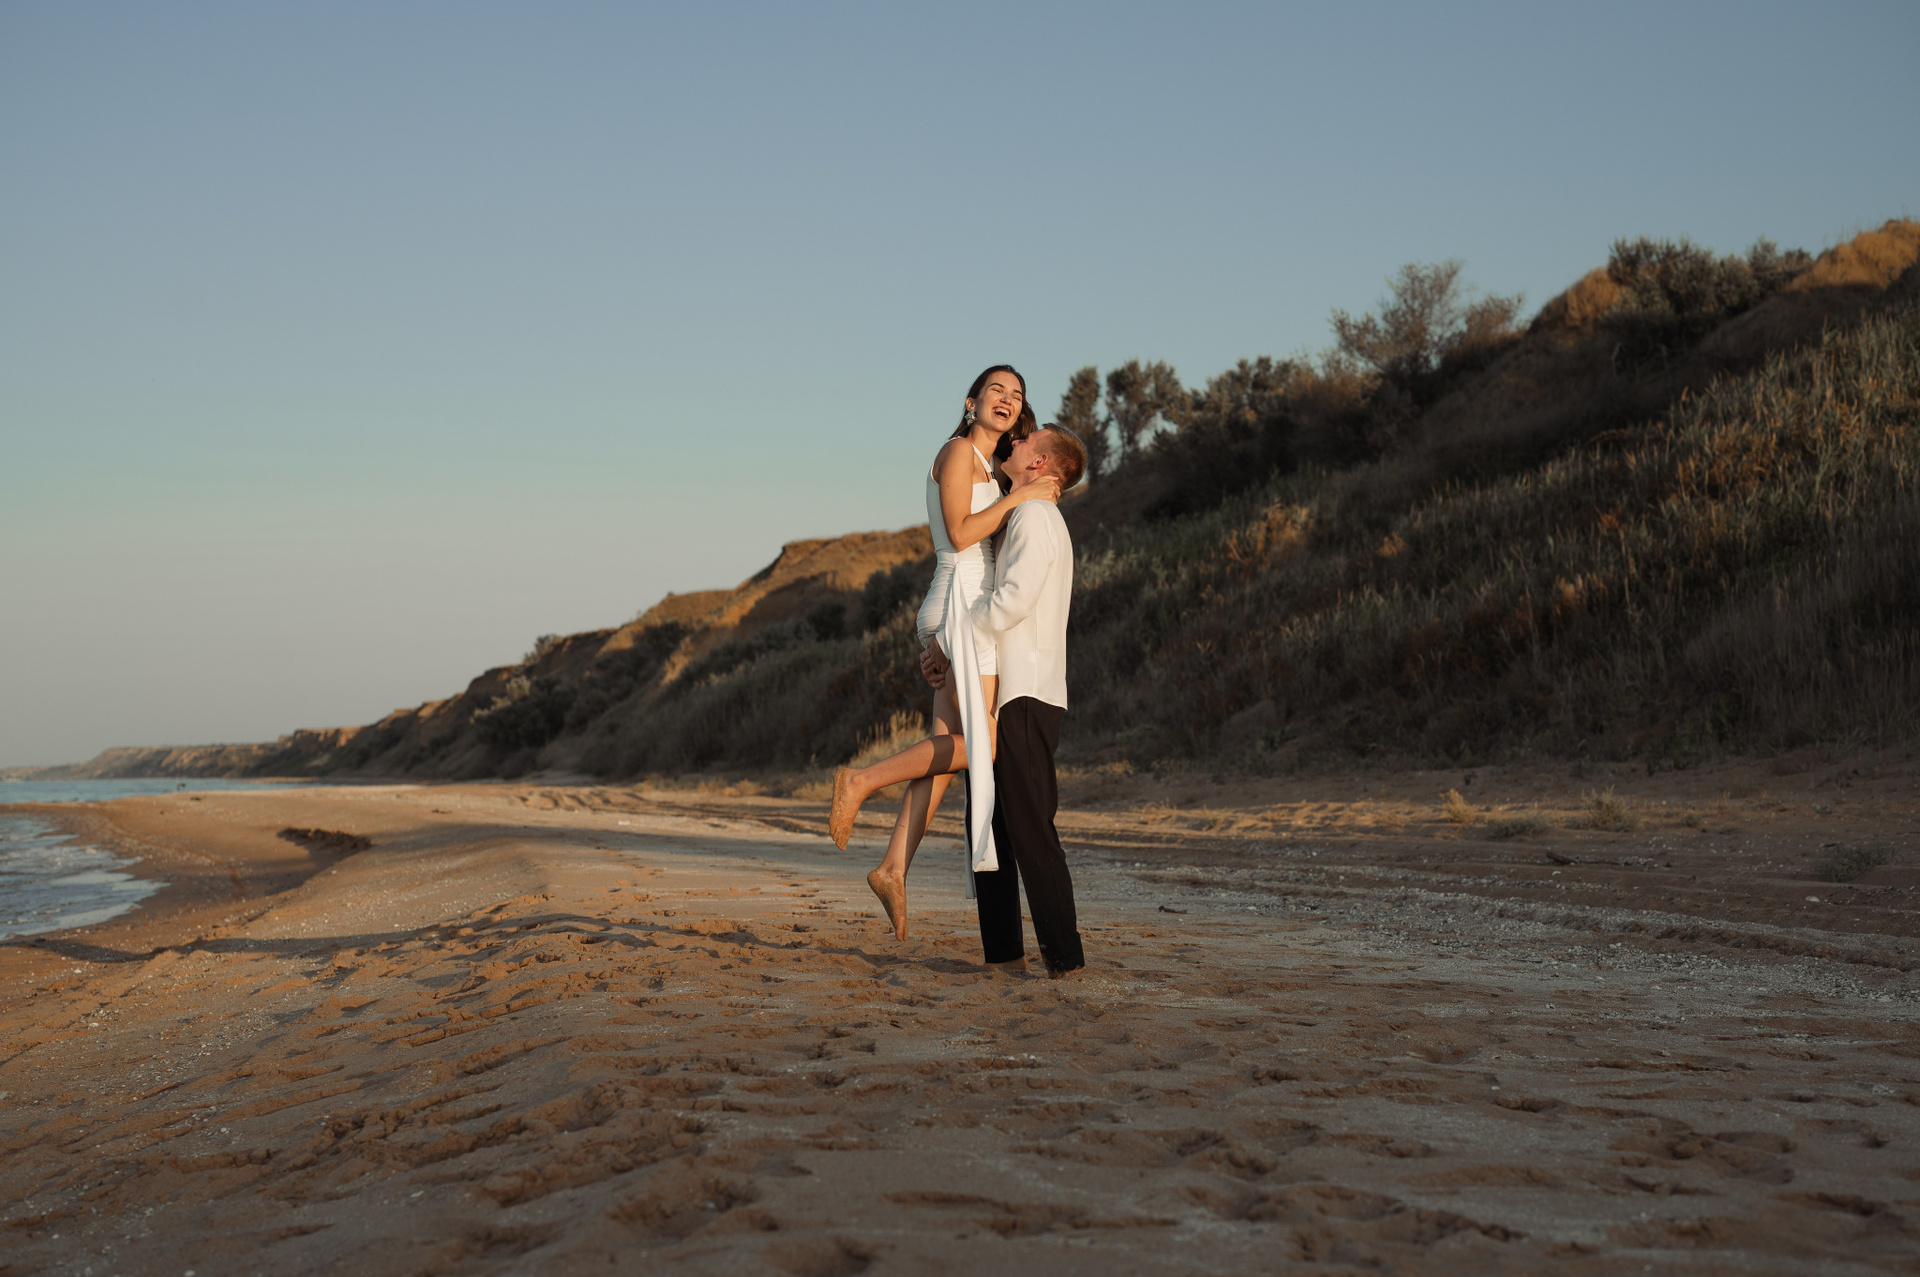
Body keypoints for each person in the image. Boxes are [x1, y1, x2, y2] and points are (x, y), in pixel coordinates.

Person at [827, 366, 1059, 941]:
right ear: (970, 401)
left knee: (945, 755)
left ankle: (892, 868)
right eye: (996, 390)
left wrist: (1021, 490)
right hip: (961, 607)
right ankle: (860, 781)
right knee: (985, 746)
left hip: (959, 612)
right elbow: (958, 534)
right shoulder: (958, 452)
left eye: (1017, 395)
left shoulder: (989, 466)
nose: (1007, 399)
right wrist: (1022, 495)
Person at [925, 425, 1087, 975]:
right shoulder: (1023, 514)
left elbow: (1013, 599)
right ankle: (1003, 957)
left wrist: (954, 639)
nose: (1013, 442)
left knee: (1029, 827)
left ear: (1040, 463)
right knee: (991, 822)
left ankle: (1064, 959)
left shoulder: (1037, 516)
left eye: (1025, 441)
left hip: (1026, 692)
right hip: (1007, 690)